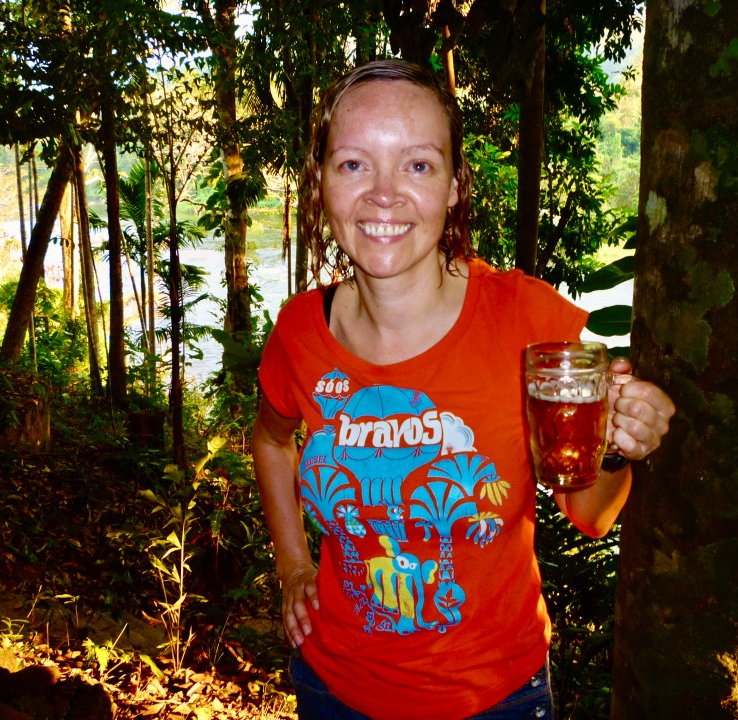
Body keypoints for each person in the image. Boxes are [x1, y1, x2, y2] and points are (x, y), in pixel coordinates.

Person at [252, 58, 675, 720]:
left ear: (453, 186)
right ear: (321, 184)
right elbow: (270, 438)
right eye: (354, 164)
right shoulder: (300, 331)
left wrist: (617, 443)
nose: (383, 194)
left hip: (493, 697)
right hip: (332, 687)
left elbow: (592, 513)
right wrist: (292, 566)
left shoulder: (528, 324)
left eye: (417, 165)